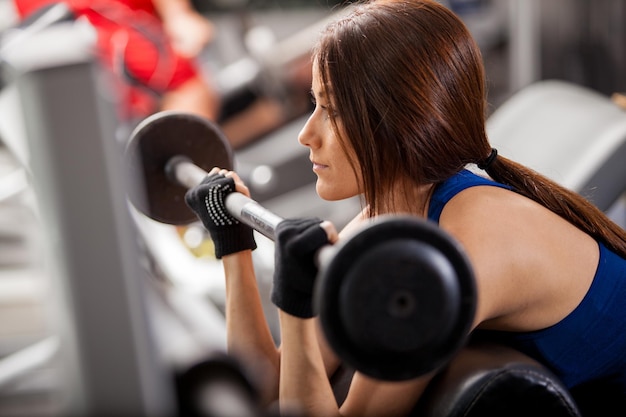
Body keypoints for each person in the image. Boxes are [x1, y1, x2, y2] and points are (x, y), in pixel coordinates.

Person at [184, 0, 626, 415]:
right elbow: (265, 384)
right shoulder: (392, 211)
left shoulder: (471, 239)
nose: (307, 134)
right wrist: (233, 244)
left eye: (332, 111)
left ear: (397, 124)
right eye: (314, 105)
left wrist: (295, 306)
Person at [12, 0, 220, 123]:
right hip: (64, 32)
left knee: (187, 84)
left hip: (119, 31)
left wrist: (178, 15)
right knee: (187, 84)